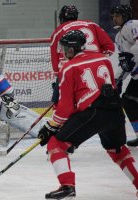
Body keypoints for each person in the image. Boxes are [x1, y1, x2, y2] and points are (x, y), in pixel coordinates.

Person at [37, 30, 138, 199]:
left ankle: (67, 186)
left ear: (71, 49)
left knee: (56, 144)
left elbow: (65, 108)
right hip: (115, 111)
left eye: (64, 48)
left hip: (93, 113)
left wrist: (51, 126)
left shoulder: (68, 68)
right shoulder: (103, 59)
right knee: (118, 151)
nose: (62, 52)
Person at [50, 5, 115, 74]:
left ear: (61, 17)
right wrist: (98, 56)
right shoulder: (92, 24)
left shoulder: (58, 31)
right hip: (96, 65)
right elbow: (110, 47)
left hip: (71, 67)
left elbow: (55, 55)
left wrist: (57, 72)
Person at [110, 4, 138, 147]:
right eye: (113, 16)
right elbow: (125, 63)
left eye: (118, 15)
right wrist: (117, 79)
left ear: (126, 16)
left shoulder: (133, 24)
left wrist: (132, 60)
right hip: (136, 77)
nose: (115, 18)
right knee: (128, 101)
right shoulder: (118, 37)